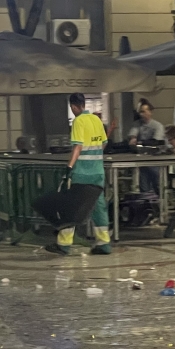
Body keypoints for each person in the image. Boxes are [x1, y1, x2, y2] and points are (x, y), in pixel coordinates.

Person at [47, 92, 111, 256]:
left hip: (82, 173)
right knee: (98, 208)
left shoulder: (78, 121)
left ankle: (64, 245)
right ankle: (104, 244)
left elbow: (78, 147)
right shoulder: (96, 120)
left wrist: (69, 167)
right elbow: (104, 143)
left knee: (72, 207)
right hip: (97, 172)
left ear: (74, 106)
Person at [127, 99, 166, 195]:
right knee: (144, 187)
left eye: (144, 111)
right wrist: (132, 139)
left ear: (150, 112)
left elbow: (156, 142)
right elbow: (133, 134)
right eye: (140, 112)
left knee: (158, 185)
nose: (141, 114)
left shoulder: (157, 126)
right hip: (142, 161)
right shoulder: (137, 124)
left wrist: (140, 142)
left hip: (155, 160)